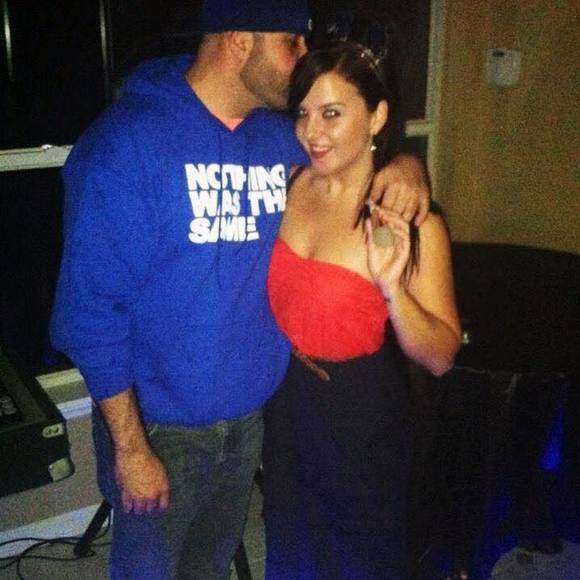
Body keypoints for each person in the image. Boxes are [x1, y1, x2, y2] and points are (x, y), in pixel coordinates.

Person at [50, 1, 430, 578]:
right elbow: (89, 314)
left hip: (253, 422)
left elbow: (354, 145)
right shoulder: (124, 147)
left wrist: (405, 165)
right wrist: (131, 448)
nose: (303, 58)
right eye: (290, 42)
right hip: (161, 431)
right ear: (239, 40)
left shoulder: (279, 139)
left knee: (209, 567)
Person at [263, 41, 462, 579]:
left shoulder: (412, 221)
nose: (312, 131)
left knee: (360, 560)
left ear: (376, 117)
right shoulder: (290, 182)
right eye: (303, 113)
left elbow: (441, 356)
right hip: (286, 404)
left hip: (360, 416)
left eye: (332, 113)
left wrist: (393, 290)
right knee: (291, 551)